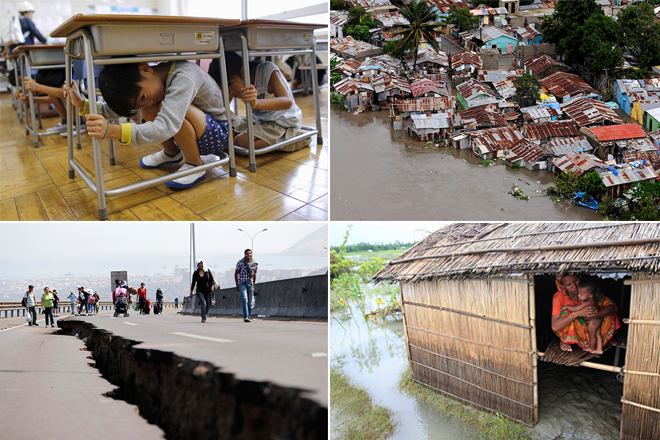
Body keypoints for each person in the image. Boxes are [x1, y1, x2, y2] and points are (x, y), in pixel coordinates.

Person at [63, 60, 230, 189]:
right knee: (150, 107)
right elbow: (128, 109)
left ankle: (195, 165)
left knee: (166, 105)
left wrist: (115, 131)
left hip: (217, 134)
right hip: (197, 131)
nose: (147, 101)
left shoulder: (184, 76)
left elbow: (166, 126)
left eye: (142, 97)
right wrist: (84, 105)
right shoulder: (154, 80)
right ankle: (172, 153)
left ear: (145, 68)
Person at [209, 52, 310, 152]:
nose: (230, 92)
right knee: (225, 133)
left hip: (281, 122)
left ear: (243, 70)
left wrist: (257, 103)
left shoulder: (267, 70)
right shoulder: (236, 86)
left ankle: (294, 138)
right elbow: (224, 106)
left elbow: (287, 102)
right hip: (258, 121)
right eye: (224, 88)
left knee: (240, 142)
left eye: (230, 83)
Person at [552, 273, 620, 352]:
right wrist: (576, 314)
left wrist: (595, 314)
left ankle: (604, 340)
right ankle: (565, 340)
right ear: (563, 286)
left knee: (608, 313)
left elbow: (614, 308)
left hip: (593, 323)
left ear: (580, 277)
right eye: (569, 284)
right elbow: (555, 327)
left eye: (576, 281)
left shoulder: (589, 290)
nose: (574, 286)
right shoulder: (559, 296)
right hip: (579, 330)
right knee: (565, 313)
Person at [562, 279, 604, 354]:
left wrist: (567, 306)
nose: (579, 296)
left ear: (590, 295)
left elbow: (576, 308)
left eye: (581, 294)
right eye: (579, 293)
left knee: (592, 335)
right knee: (598, 334)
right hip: (597, 320)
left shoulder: (587, 302)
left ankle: (592, 348)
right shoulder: (592, 300)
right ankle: (599, 349)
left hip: (593, 322)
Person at [235, 249, 258, 323]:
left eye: (250, 253)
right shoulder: (241, 262)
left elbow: (254, 274)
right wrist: (237, 284)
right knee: (244, 299)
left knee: (250, 301)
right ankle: (246, 316)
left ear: (252, 254)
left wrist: (254, 285)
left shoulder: (255, 264)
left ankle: (248, 315)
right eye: (247, 253)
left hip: (250, 283)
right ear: (245, 255)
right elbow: (236, 273)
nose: (249, 255)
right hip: (242, 283)